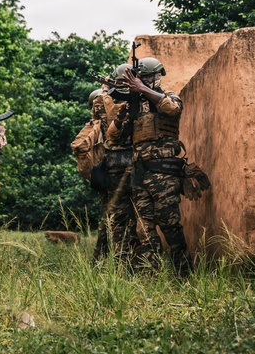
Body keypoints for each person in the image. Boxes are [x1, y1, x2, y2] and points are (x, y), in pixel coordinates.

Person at [108, 57, 189, 274]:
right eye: (139, 79)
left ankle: (182, 270)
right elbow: (113, 138)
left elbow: (173, 109)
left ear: (155, 77)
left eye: (144, 78)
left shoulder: (167, 97)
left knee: (169, 223)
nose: (139, 82)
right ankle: (150, 273)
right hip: (140, 174)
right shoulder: (134, 107)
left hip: (163, 172)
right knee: (143, 227)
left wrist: (142, 89)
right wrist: (120, 119)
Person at [97, 64, 136, 263]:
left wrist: (105, 90)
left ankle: (121, 259)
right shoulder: (139, 95)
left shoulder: (104, 100)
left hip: (117, 162)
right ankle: (131, 259)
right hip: (135, 160)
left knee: (118, 214)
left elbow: (102, 118)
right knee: (136, 213)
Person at [71, 89, 108, 257]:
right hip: (110, 173)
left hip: (101, 175)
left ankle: (99, 257)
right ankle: (102, 257)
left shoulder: (93, 126)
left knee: (108, 217)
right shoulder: (100, 126)